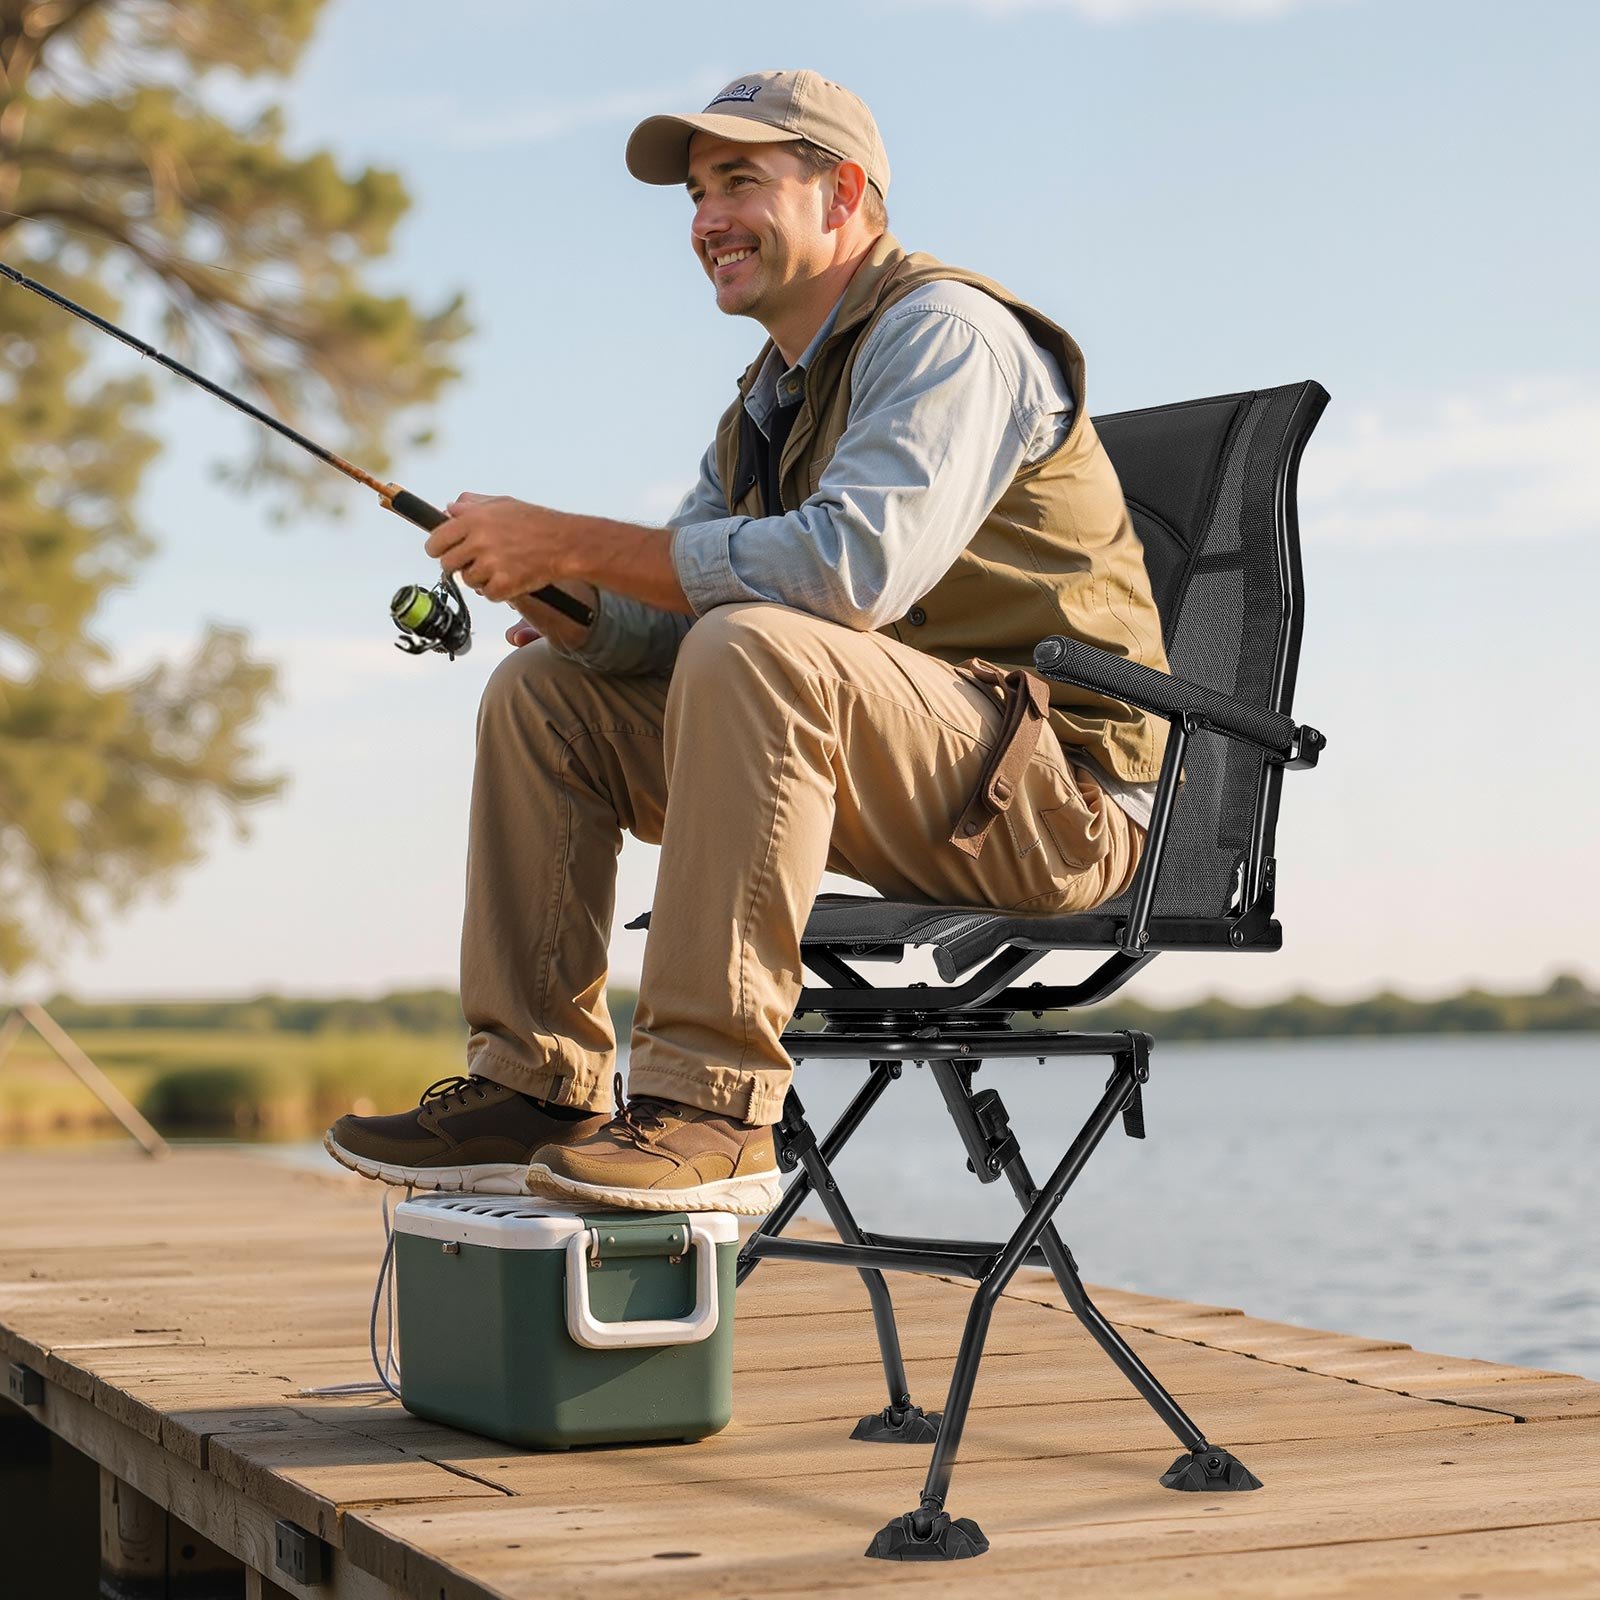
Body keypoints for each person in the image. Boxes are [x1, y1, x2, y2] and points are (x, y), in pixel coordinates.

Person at [325, 69, 1170, 1215]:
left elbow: (843, 573)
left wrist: (578, 537)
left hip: (1054, 809)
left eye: (740, 182)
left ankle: (712, 1108)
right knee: (540, 690)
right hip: (899, 777)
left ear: (844, 194)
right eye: (694, 193)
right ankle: (535, 1084)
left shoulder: (947, 334)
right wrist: (571, 594)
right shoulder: (767, 401)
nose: (706, 218)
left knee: (760, 645)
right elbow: (671, 604)